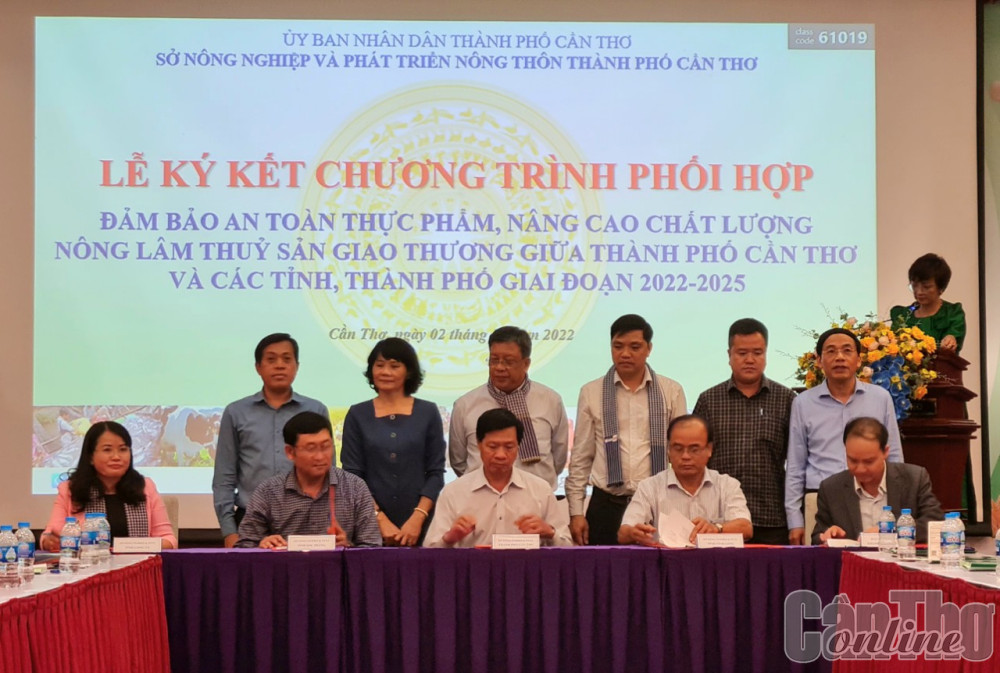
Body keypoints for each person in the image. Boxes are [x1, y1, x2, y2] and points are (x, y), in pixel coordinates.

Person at [566, 314, 687, 545]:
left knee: (658, 567)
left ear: (649, 348)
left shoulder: (671, 391)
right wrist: (576, 512)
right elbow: (581, 456)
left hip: (657, 505)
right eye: (618, 346)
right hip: (606, 506)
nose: (625, 354)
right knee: (603, 569)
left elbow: (681, 453)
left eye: (635, 347)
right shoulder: (591, 392)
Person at [785, 328, 904, 545]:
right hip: (822, 501)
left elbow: (894, 455)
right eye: (831, 351)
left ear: (858, 360)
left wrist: (897, 508)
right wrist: (795, 521)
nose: (839, 357)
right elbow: (795, 465)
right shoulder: (803, 403)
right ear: (819, 361)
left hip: (873, 497)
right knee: (824, 564)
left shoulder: (880, 398)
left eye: (847, 351)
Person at [213, 333, 329, 547]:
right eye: (271, 359)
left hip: (307, 521)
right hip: (251, 521)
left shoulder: (316, 410)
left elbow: (327, 472)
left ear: (297, 366)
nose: (280, 365)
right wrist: (229, 532)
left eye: (287, 359)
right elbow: (224, 477)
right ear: (258, 367)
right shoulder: (236, 412)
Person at [693, 318, 796, 545]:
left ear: (766, 354)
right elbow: (696, 457)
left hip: (771, 517)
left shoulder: (786, 399)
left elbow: (796, 462)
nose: (750, 359)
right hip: (719, 520)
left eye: (757, 353)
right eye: (742, 353)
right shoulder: (709, 400)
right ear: (729, 354)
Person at [341, 338, 446, 546]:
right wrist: (378, 519)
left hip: (420, 524)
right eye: (379, 365)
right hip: (368, 524)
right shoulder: (357, 414)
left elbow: (435, 472)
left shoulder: (428, 412)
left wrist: (417, 518)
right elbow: (352, 476)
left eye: (394, 366)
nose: (385, 372)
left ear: (409, 371)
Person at [424, 409, 572, 548]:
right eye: (493, 447)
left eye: (509, 447)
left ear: (518, 446)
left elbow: (567, 547)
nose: (501, 455)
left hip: (525, 566)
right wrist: (449, 539)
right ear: (479, 445)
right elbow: (430, 550)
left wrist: (550, 533)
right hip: (474, 566)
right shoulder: (454, 492)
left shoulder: (540, 489)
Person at [236, 411, 381, 548]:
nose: (320, 456)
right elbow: (244, 547)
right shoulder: (269, 492)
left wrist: (347, 547)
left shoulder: (354, 488)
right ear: (290, 452)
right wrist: (262, 545)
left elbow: (372, 547)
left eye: (326, 447)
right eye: (311, 448)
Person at [449, 326, 569, 491]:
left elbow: (559, 457)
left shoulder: (550, 401)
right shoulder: (465, 405)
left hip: (536, 497)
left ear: (526, 364)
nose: (499, 367)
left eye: (508, 361)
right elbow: (458, 461)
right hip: (482, 497)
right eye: (494, 360)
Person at [41, 421, 176, 550]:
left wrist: (134, 547)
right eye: (107, 450)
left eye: (123, 449)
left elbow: (168, 539)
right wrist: (50, 541)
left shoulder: (145, 487)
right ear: (90, 457)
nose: (116, 457)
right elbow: (50, 535)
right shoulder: (70, 489)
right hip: (87, 564)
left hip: (138, 564)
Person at [618, 415, 752, 546]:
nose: (685, 456)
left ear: (709, 449)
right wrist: (633, 533)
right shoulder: (649, 487)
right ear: (669, 450)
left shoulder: (727, 485)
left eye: (694, 449)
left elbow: (746, 528)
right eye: (678, 449)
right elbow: (623, 533)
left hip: (713, 560)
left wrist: (716, 528)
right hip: (665, 559)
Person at [813, 417, 943, 544]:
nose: (860, 469)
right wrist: (828, 537)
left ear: (885, 452)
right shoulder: (831, 488)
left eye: (868, 461)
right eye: (852, 460)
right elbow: (817, 536)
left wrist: (890, 532)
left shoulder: (914, 478)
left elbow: (934, 522)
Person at [890, 253, 965, 352]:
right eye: (914, 286)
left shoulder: (952, 314)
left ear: (941, 288)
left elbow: (954, 335)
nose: (919, 292)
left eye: (926, 287)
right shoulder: (903, 315)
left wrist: (950, 339)